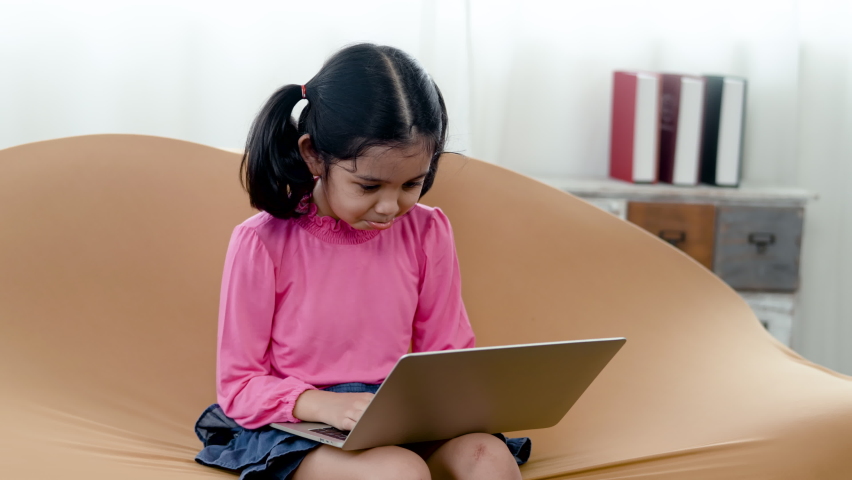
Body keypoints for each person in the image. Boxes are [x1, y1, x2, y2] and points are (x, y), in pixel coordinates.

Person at [194, 43, 530, 480]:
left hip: (395, 415)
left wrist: (463, 399)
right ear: (314, 154)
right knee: (399, 471)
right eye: (369, 186)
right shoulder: (261, 242)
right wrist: (322, 404)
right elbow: (239, 386)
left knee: (488, 456)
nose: (391, 207)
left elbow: (446, 353)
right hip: (301, 423)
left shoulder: (428, 231)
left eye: (412, 183)